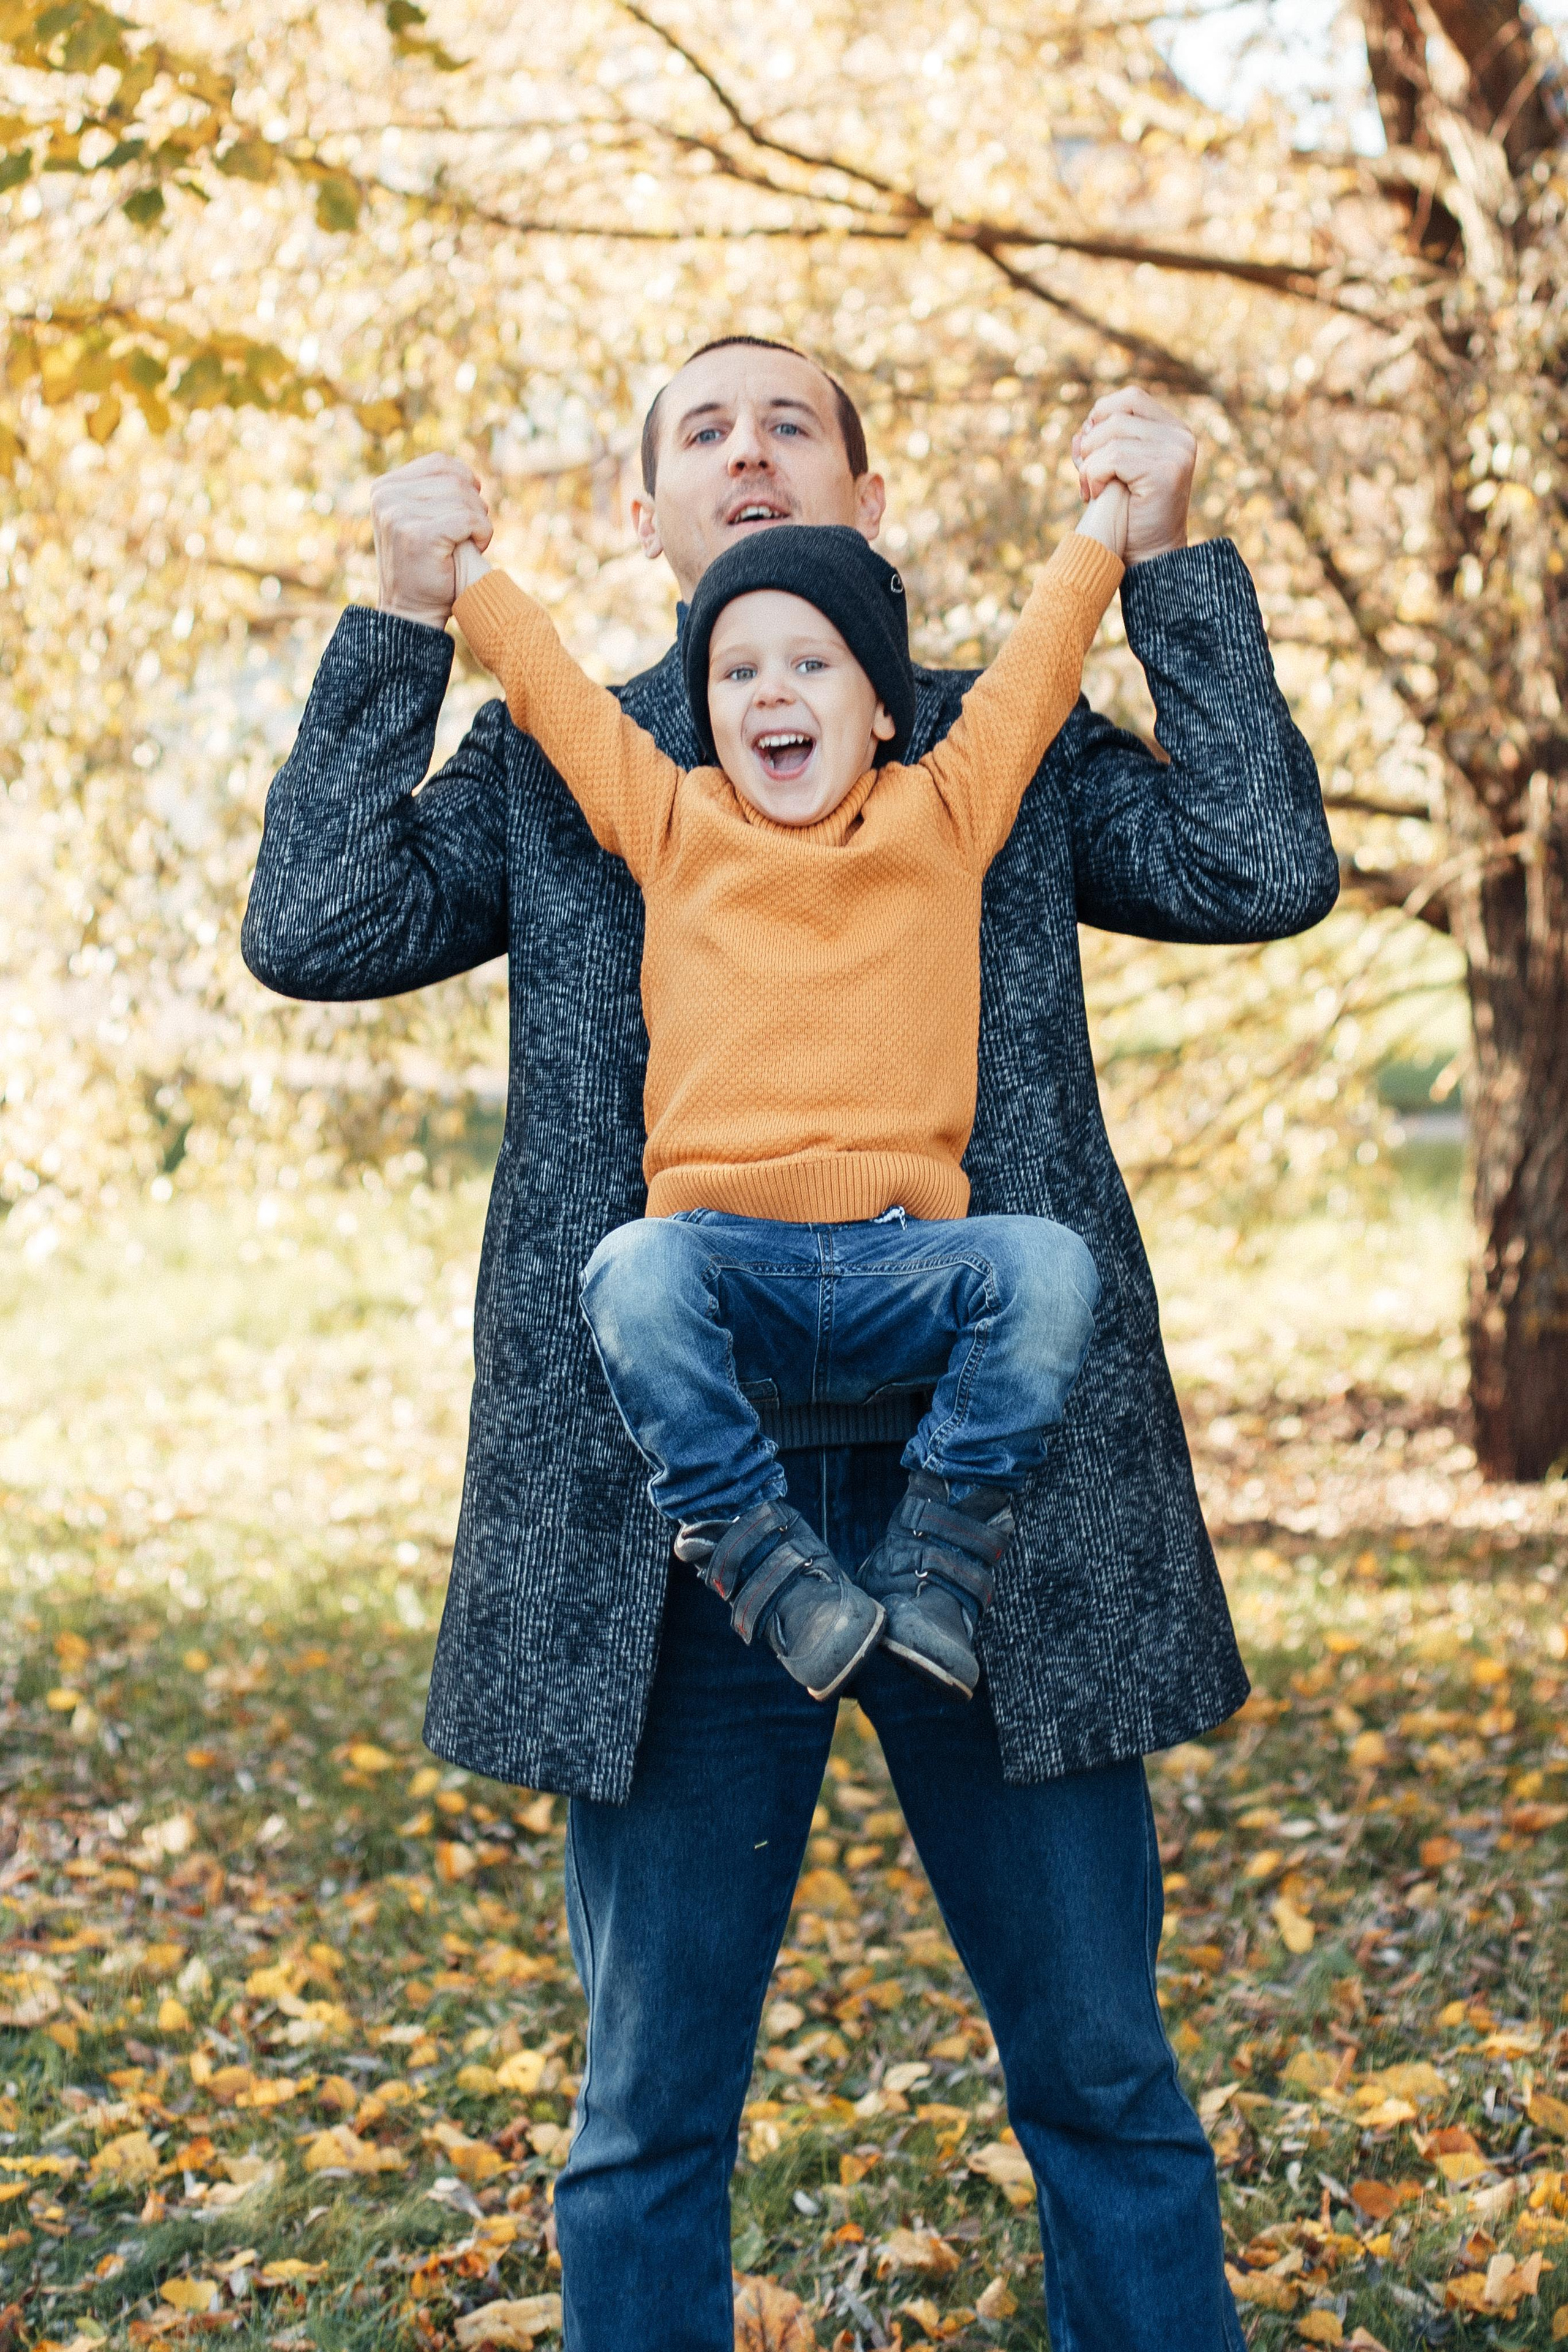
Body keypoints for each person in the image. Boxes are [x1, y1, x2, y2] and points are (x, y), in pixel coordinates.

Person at [243, 336, 1339, 2351]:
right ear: (645, 519)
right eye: (701, 434)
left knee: (1103, 2078)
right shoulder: (571, 777)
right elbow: (313, 924)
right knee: (649, 2114)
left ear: (866, 502)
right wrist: (407, 616)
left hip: (1003, 1510)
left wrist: (1167, 561)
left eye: (792, 427)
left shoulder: (984, 765)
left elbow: (1267, 871)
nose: (747, 454)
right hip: (673, 1524)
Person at [447, 486, 1129, 1704]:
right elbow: (548, 685)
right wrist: (460, 574)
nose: (769, 691)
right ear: (706, 714)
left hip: (901, 1268)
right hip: (723, 1269)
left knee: (1048, 1268)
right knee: (627, 1270)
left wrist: (1111, 525)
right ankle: (758, 1558)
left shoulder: (941, 812)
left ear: (877, 708)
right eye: (735, 671)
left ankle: (934, 1566)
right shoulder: (672, 822)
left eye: (810, 663)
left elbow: (1036, 662)